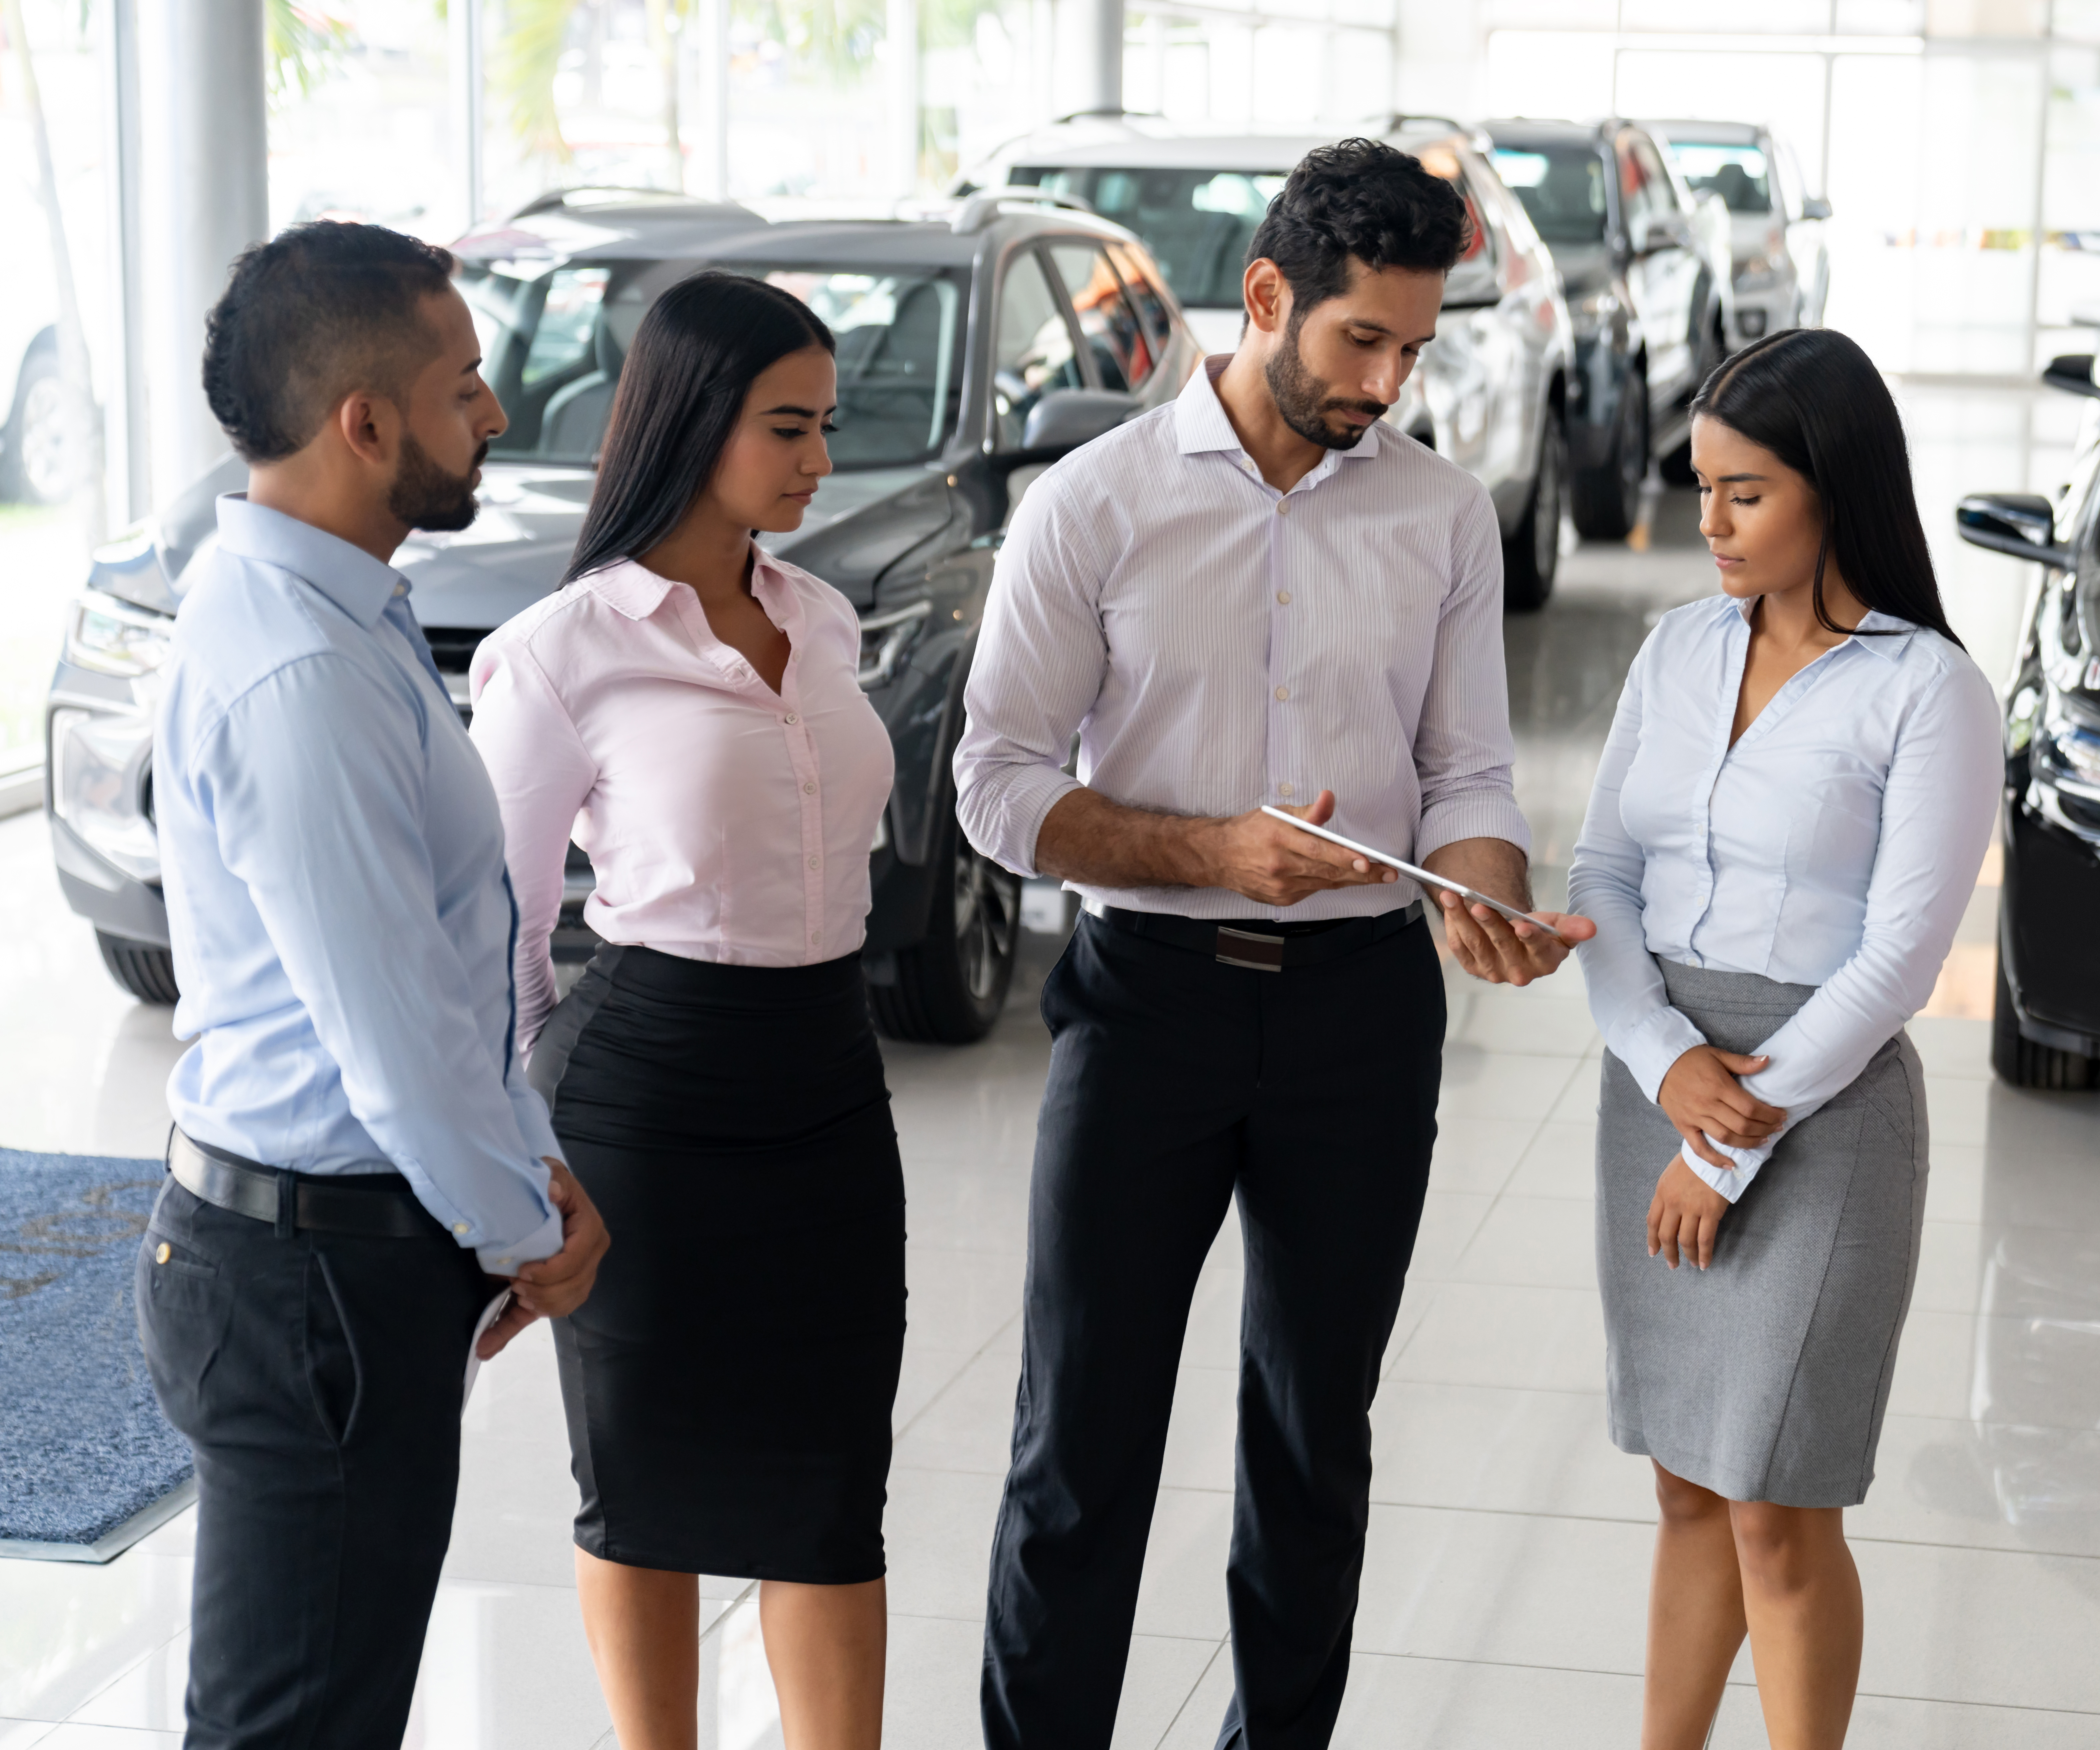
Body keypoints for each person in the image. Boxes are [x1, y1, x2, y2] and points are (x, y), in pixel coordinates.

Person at [953, 137, 1594, 1750]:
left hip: (1360, 1022)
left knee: (1315, 1441)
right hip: (1143, 1006)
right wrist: (1210, 849)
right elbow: (993, 786)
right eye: (1355, 341)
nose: (1384, 381)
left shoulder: (1444, 518)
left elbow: (1466, 776)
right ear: (1263, 299)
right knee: (1078, 1443)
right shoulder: (1089, 506)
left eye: (1413, 347)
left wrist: (1482, 889)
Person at [138, 220, 610, 1747]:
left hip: (327, 1254)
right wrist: (532, 1229)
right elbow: (394, 1028)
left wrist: (516, 1172)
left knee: (317, 1697)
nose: (493, 413)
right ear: (366, 422)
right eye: (465, 385)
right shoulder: (306, 669)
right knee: (297, 1722)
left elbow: (442, 955)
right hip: (311, 1280)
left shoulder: (330, 606)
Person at [467, 272, 902, 1750]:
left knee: (830, 1485)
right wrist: (535, 1131)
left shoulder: (824, 617)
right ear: (695, 418)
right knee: (643, 1485)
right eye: (789, 427)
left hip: (832, 1088)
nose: (818, 461)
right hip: (644, 1102)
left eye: (826, 425)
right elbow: (506, 937)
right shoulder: (560, 651)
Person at [1567, 329, 2000, 1750]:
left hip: (1812, 1104)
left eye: (1743, 492)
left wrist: (1721, 1132)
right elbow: (1601, 876)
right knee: (1685, 1480)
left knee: (1775, 1498)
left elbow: (1898, 959)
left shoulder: (1925, 687)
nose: (1707, 523)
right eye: (1698, 487)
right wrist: (1655, 1058)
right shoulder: (1676, 646)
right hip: (1664, 1072)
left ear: (1832, 486)